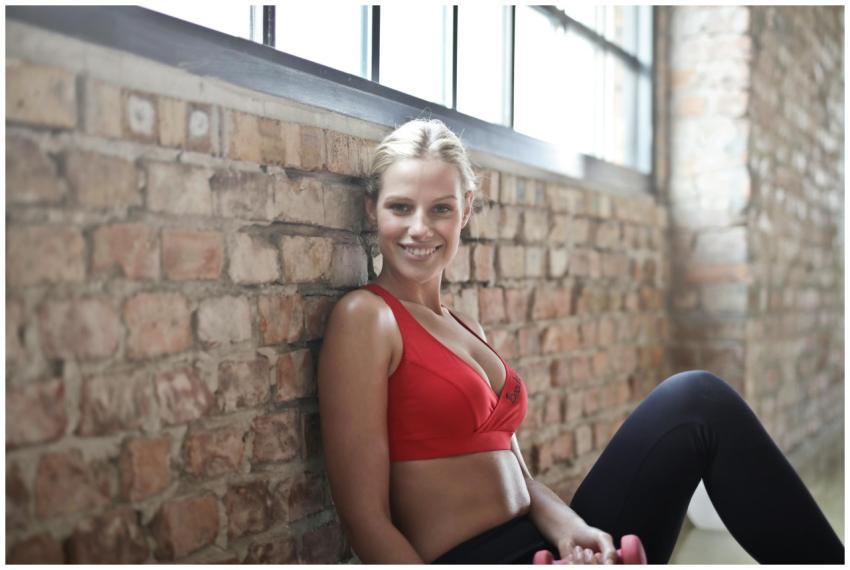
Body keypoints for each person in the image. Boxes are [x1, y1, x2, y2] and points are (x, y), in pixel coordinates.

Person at [317, 119, 844, 564]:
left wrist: (574, 530)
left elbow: (518, 477)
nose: (419, 229)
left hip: (541, 543)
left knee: (699, 408)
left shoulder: (463, 326)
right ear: (372, 211)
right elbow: (365, 520)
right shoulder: (366, 318)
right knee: (695, 401)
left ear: (467, 210)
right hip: (479, 556)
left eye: (440, 209)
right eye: (400, 207)